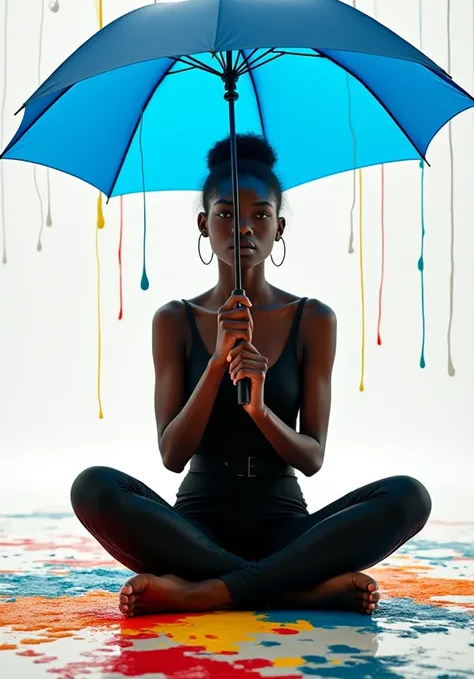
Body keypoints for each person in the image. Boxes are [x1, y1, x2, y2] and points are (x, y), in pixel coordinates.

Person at [70, 133, 432, 618]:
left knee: (409, 496)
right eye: (225, 213)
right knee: (92, 486)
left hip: (285, 525)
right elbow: (172, 455)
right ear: (204, 223)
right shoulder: (174, 319)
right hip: (196, 528)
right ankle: (292, 589)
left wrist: (260, 410)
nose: (243, 227)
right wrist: (217, 360)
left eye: (260, 215)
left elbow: (312, 458)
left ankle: (210, 592)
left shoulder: (313, 319)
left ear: (279, 227)